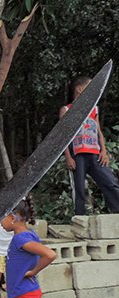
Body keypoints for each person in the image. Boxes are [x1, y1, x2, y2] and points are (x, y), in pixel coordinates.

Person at [61, 76, 119, 215]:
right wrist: (68, 157)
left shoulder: (94, 109)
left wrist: (103, 151)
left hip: (95, 153)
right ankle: (80, 217)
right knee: (80, 188)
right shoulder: (66, 109)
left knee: (110, 182)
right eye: (90, 87)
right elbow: (63, 137)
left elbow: (98, 131)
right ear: (80, 89)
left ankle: (117, 210)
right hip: (77, 155)